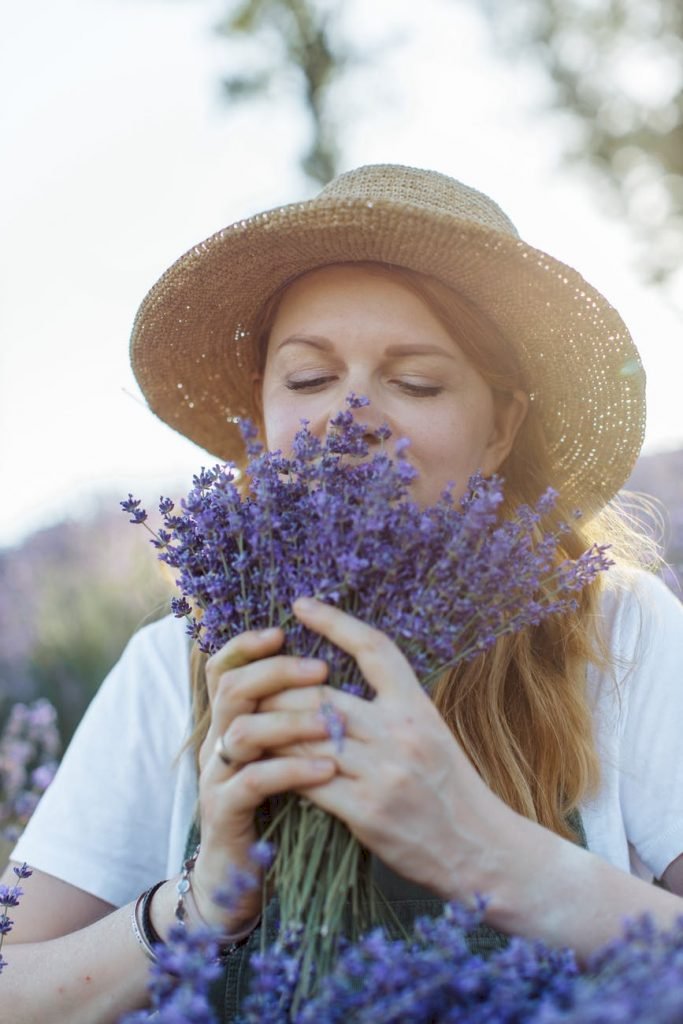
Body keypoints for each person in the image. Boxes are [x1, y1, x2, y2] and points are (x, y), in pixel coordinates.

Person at [3, 164, 683, 1023]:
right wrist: (198, 903)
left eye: (417, 381)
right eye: (308, 379)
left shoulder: (616, 631)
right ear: (260, 413)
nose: (352, 416)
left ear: (500, 429)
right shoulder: (173, 661)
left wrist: (502, 860)